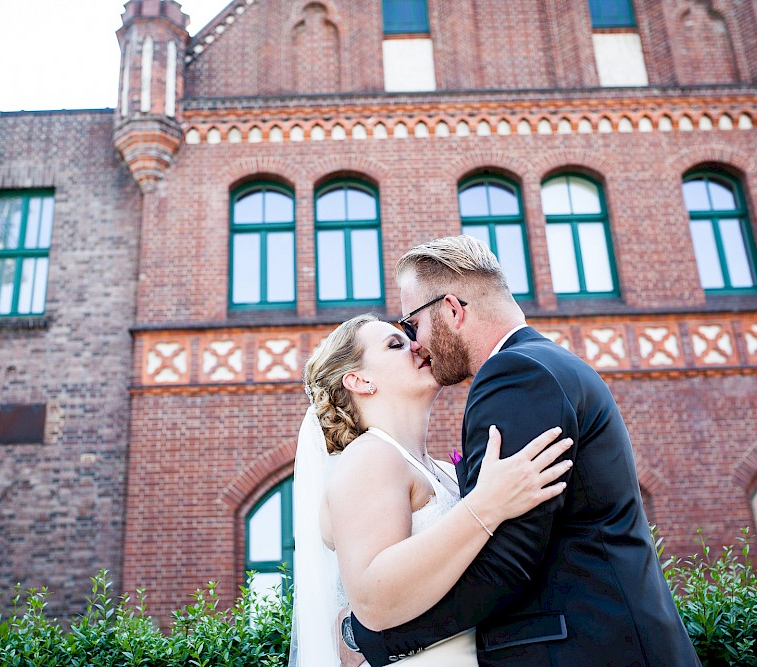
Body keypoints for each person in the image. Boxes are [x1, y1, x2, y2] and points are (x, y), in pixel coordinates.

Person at [348, 236, 701, 666]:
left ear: (453, 310)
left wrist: (371, 640)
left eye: (412, 326)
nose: (415, 345)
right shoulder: (541, 364)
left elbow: (505, 562)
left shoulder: (515, 375)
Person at [289, 313, 574, 666]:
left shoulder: (441, 470)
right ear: (359, 380)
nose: (416, 345)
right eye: (395, 345)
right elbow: (374, 598)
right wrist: (488, 504)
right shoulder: (370, 456)